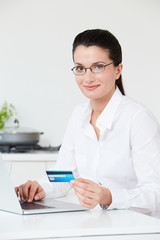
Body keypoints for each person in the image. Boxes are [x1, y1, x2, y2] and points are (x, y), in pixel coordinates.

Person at [15, 29, 160, 216]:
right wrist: (40, 187)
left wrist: (108, 196)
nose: (88, 78)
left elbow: (155, 192)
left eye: (98, 66)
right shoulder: (79, 115)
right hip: (95, 224)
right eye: (80, 68)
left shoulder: (138, 118)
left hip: (137, 227)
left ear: (118, 70)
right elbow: (65, 173)